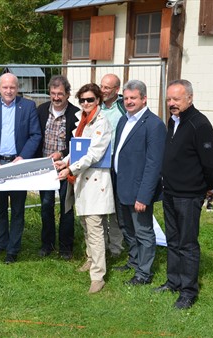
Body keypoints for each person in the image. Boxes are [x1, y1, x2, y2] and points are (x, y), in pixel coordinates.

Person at [156, 79, 213, 309]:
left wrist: (205, 187)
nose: (172, 103)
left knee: (187, 243)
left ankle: (188, 291)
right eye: (169, 99)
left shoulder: (199, 124)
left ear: (190, 98)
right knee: (172, 240)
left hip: (189, 195)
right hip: (171, 192)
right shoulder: (174, 121)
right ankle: (173, 281)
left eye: (176, 99)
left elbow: (212, 165)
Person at [56, 83, 114, 294]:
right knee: (86, 225)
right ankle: (91, 259)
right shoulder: (82, 121)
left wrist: (70, 167)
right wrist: (65, 161)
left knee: (95, 228)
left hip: (95, 180)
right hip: (80, 179)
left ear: (98, 100)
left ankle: (98, 276)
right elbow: (78, 148)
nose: (86, 103)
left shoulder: (101, 122)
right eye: (82, 100)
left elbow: (94, 154)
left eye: (90, 99)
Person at [0, 73, 41, 264]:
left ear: (17, 88)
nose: (9, 91)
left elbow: (35, 135)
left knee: (17, 208)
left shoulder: (28, 106)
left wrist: (23, 157)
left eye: (12, 87)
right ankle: (1, 243)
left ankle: (13, 249)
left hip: (18, 163)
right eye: (5, 87)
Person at [112, 79, 166, 285]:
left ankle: (144, 274)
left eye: (133, 98)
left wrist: (144, 196)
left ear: (144, 99)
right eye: (126, 98)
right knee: (127, 229)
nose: (129, 102)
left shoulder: (154, 125)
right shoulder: (124, 120)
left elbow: (154, 165)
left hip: (138, 192)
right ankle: (134, 262)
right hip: (122, 187)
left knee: (143, 232)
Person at [35, 75, 79, 260]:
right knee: (46, 206)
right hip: (44, 167)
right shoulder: (41, 110)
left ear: (68, 94)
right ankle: (47, 244)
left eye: (60, 93)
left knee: (66, 207)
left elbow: (77, 144)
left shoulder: (76, 114)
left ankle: (66, 247)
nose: (56, 97)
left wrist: (61, 154)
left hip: (65, 167)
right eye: (53, 93)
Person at [99, 73, 126, 258]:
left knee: (116, 208)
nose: (103, 90)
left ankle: (116, 248)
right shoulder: (95, 106)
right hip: (98, 164)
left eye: (107, 88)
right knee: (100, 207)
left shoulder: (124, 107)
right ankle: (100, 246)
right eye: (101, 86)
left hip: (117, 164)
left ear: (117, 90)